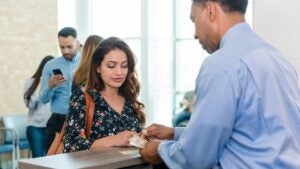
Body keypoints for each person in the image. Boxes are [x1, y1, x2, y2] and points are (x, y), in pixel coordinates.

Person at [140, 0, 300, 168]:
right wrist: (176, 134)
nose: (195, 34)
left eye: (194, 20)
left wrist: (159, 149)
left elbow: (196, 157)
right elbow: (258, 133)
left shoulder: (220, 65)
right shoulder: (279, 59)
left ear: (210, 10)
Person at [63, 37, 146, 153]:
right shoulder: (83, 98)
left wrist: (145, 138)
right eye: (111, 66)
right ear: (98, 67)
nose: (119, 72)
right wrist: (114, 140)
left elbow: (134, 141)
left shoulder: (129, 99)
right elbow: (70, 144)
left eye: (124, 66)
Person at [39, 27, 81, 152]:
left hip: (80, 120)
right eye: (62, 47)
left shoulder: (87, 63)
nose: (65, 51)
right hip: (57, 120)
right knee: (51, 160)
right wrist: (50, 86)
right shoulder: (50, 65)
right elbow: (43, 99)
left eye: (69, 46)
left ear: (77, 43)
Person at [23, 55, 54, 157]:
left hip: (52, 127)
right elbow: (29, 105)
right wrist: (42, 85)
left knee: (53, 159)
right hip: (35, 127)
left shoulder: (57, 83)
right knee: (38, 158)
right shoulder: (30, 82)